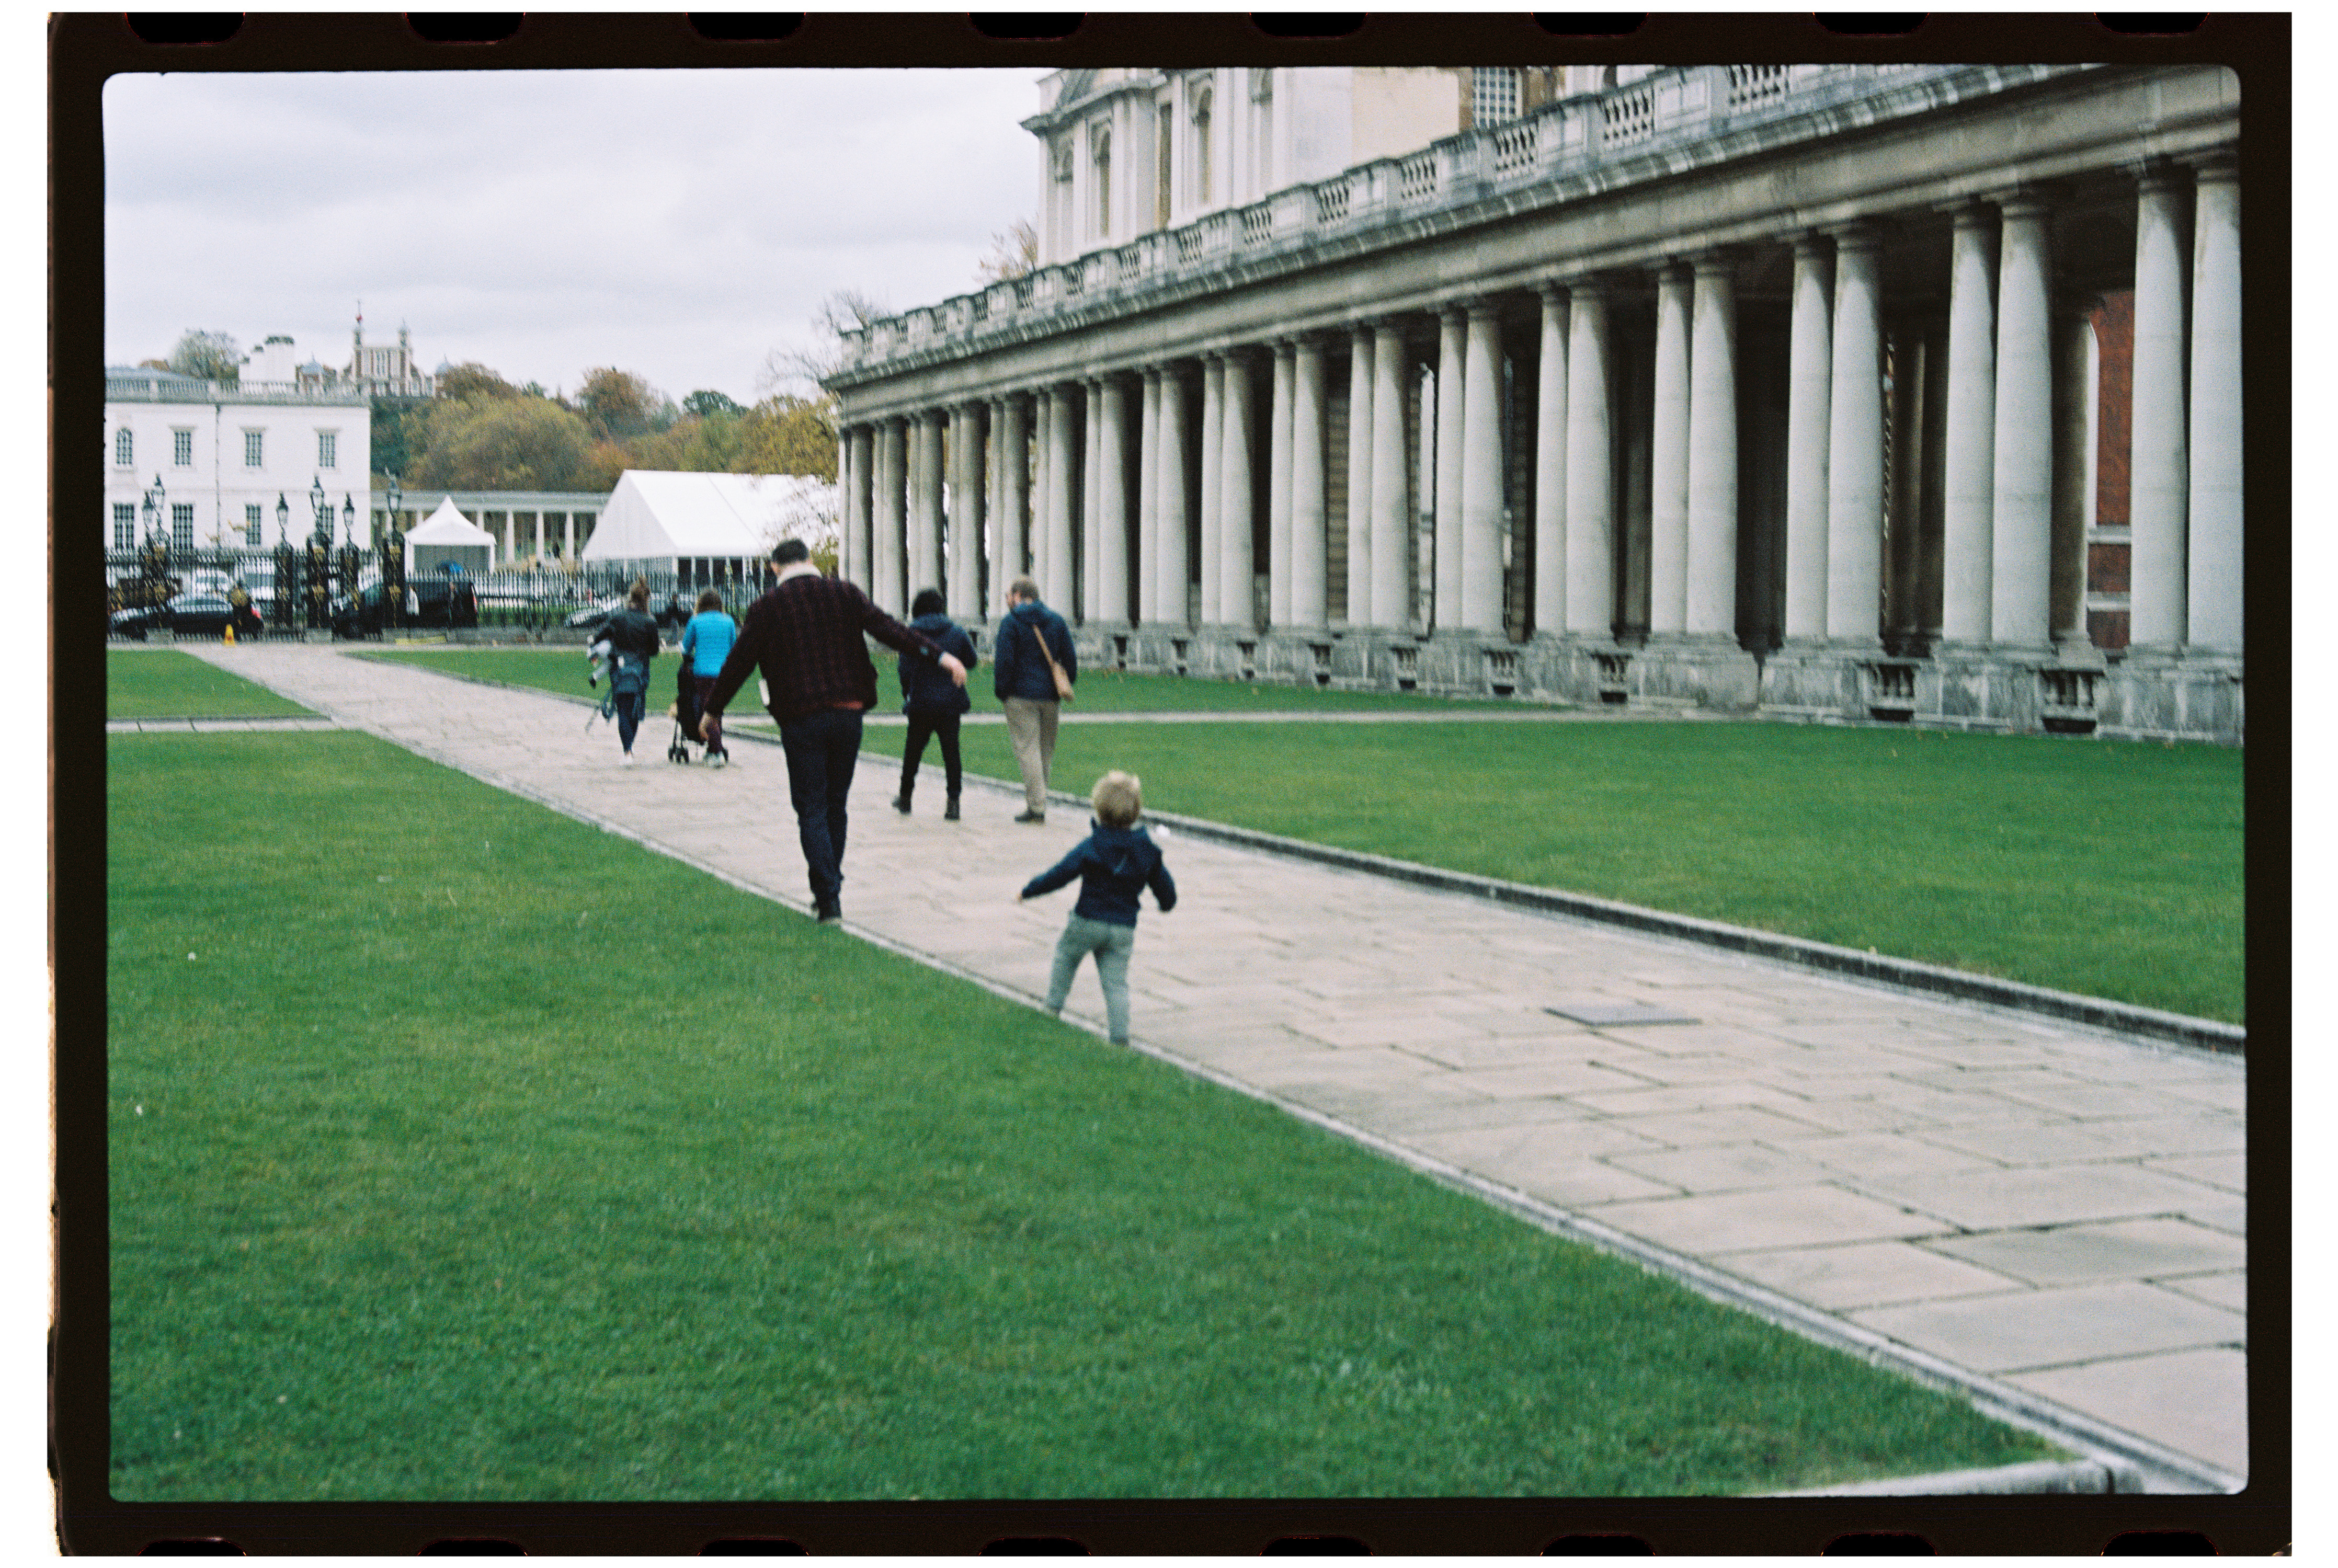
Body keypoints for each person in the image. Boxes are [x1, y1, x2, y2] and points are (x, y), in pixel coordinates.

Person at [700, 540, 967, 924]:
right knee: (835, 803)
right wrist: (941, 656)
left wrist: (712, 711)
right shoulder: (844, 593)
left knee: (810, 805)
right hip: (847, 711)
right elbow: (890, 630)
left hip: (800, 715)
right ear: (809, 561)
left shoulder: (767, 607)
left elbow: (739, 662)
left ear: (775, 568)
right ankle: (830, 884)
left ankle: (827, 896)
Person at [1019, 771, 1177, 1047]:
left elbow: (1061, 873)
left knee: (1066, 958)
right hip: (1123, 927)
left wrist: (1030, 890)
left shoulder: (1094, 845)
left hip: (1087, 920)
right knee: (1116, 983)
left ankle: (1052, 1008)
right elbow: (1165, 887)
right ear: (1137, 811)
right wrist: (1166, 903)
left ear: (1099, 810)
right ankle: (1119, 1037)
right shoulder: (1146, 849)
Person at [991, 575, 1076, 823]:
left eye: (1009, 595)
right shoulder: (1057, 621)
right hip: (1050, 696)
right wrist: (1062, 683)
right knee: (1045, 752)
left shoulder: (1011, 623)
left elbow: (1004, 662)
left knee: (1028, 751)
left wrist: (1002, 691)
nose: (1008, 600)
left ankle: (1037, 807)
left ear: (1019, 596)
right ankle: (1038, 801)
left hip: (1020, 695)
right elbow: (1070, 660)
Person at [893, 587, 980, 820]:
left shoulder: (911, 633)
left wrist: (907, 694)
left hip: (921, 700)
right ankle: (953, 803)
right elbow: (971, 661)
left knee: (912, 752)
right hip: (950, 701)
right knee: (951, 753)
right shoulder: (957, 632)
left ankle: (905, 797)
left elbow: (905, 669)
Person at [600, 577, 661, 766]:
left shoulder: (618, 618)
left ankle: (628, 750)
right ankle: (629, 747)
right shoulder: (650, 621)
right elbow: (654, 651)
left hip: (620, 668)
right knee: (634, 710)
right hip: (640, 669)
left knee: (624, 711)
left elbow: (600, 636)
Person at [681, 587, 737, 768]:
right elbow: (734, 646)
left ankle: (718, 751)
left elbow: (685, 648)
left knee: (709, 710)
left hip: (703, 673)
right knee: (717, 710)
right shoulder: (728, 621)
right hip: (724, 673)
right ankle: (713, 749)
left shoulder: (696, 621)